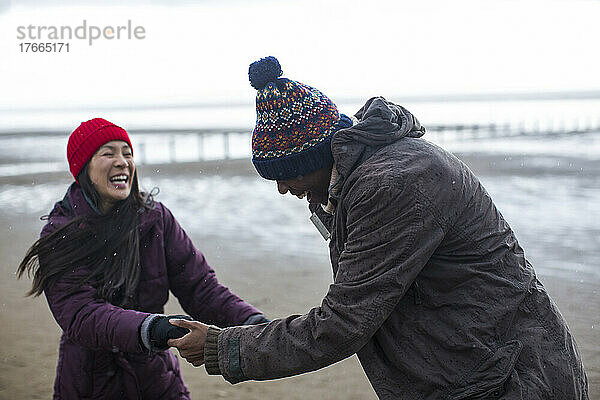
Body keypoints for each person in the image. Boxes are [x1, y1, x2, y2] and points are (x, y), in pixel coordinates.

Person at [168, 57, 589, 399]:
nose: (281, 189)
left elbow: (342, 323)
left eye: (285, 174)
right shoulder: (366, 179)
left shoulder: (392, 184)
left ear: (312, 158)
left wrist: (223, 347)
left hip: (507, 381)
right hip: (478, 369)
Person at [17, 118, 268, 399]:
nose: (122, 161)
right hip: (89, 382)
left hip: (156, 379)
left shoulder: (155, 219)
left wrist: (252, 322)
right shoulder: (61, 231)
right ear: (83, 167)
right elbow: (81, 315)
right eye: (108, 153)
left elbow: (200, 289)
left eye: (127, 153)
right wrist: (152, 328)